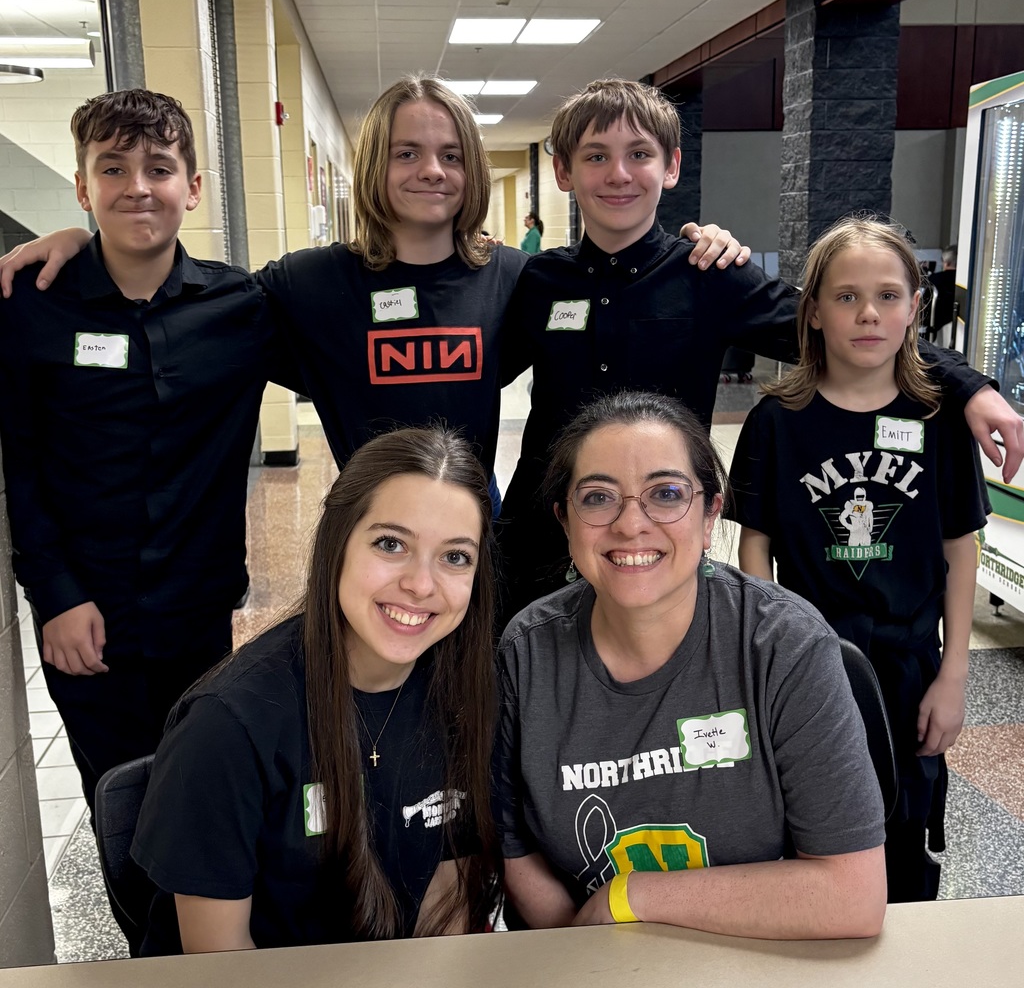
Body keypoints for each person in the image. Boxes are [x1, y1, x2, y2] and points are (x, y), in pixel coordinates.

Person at [0, 77, 738, 486]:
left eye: (451, 154)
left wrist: (699, 248)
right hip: (365, 538)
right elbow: (189, 302)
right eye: (408, 152)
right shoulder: (308, 284)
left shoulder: (517, 277)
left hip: (478, 537)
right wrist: (87, 241)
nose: (432, 172)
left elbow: (618, 293)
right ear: (375, 167)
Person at [495, 78, 1020, 620]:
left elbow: (840, 330)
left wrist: (970, 386)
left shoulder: (710, 275)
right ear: (564, 171)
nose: (619, 174)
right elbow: (472, 369)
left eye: (640, 154)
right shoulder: (539, 281)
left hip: (661, 530)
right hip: (540, 531)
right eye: (596, 156)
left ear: (671, 166)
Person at [0, 90, 282, 952]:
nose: (138, 188)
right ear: (83, 189)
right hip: (89, 619)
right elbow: (25, 466)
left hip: (198, 613)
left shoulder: (242, 309)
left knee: (199, 794)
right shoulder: (33, 305)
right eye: (112, 169)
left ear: (192, 186)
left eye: (158, 169)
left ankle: (202, 954)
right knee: (118, 802)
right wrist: (54, 596)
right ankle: (146, 955)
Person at [495, 391, 887, 940]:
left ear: (710, 515)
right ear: (565, 521)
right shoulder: (525, 653)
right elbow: (518, 854)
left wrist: (628, 898)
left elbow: (853, 894)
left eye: (667, 494)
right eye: (598, 497)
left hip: (752, 958)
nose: (632, 524)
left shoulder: (783, 645)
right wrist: (586, 957)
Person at [131, 427, 500, 954]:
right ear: (338, 542)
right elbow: (220, 964)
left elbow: (447, 899)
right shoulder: (228, 726)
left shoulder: (461, 689)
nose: (422, 584)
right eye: (390, 544)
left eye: (455, 557)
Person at [729, 216, 987, 902]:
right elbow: (755, 545)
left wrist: (954, 675)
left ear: (914, 309)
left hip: (910, 665)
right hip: (811, 661)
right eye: (845, 297)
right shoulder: (777, 421)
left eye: (888, 296)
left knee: (904, 825)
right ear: (811, 312)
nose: (868, 313)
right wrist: (766, 658)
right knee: (807, 825)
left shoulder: (938, 420)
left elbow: (961, 552)